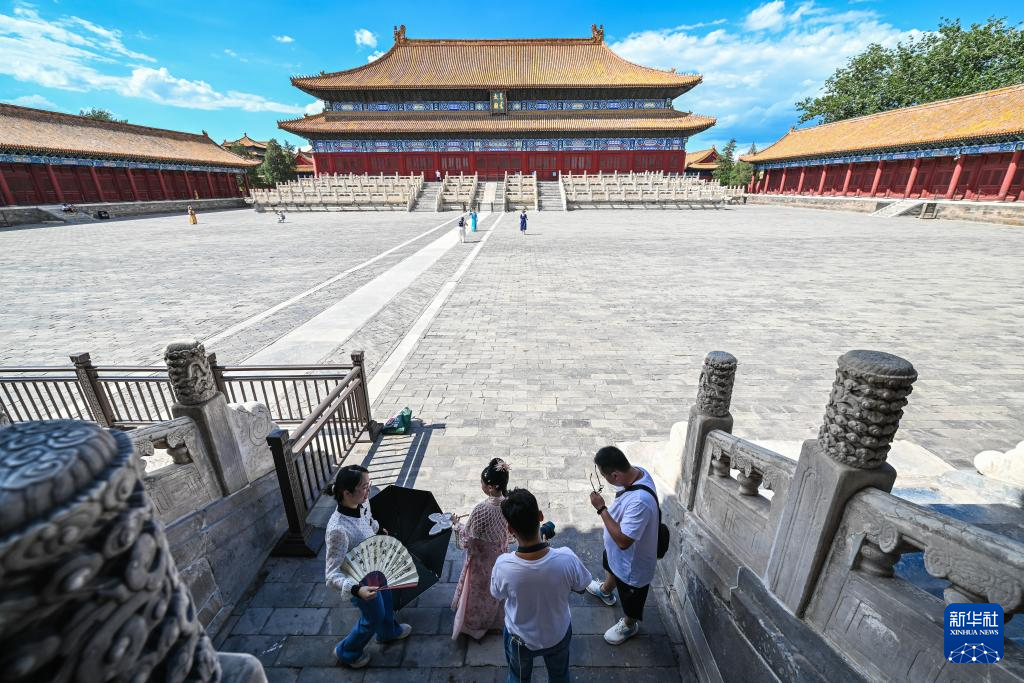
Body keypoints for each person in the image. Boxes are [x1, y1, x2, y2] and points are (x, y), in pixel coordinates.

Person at [491, 488, 592, 683]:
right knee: (559, 676)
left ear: (510, 530)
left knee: (518, 677)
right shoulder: (567, 558)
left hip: (520, 639)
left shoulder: (503, 565)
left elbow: (497, 594)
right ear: (540, 516)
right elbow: (581, 587)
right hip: (557, 634)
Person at [325, 465, 412, 668]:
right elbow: (331, 574)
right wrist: (357, 590)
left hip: (375, 565)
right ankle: (347, 651)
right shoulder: (338, 530)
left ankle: (388, 631)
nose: (368, 491)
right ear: (347, 493)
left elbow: (367, 520)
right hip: (359, 580)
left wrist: (378, 529)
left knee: (387, 600)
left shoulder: (362, 503)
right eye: (364, 487)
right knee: (373, 617)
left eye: (369, 484)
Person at [586, 446, 659, 645]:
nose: (604, 480)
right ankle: (605, 590)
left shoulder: (640, 501)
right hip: (616, 555)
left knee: (631, 600)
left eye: (604, 476)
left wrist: (601, 508)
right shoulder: (636, 473)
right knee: (611, 567)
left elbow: (624, 541)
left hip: (632, 564)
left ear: (616, 475)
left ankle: (629, 625)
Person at [450, 458, 514, 640]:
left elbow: (468, 538)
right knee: (495, 590)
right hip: (500, 556)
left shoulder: (482, 509)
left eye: (483, 483)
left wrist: (456, 525)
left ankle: (475, 625)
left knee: (479, 592)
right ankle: (496, 621)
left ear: (491, 487)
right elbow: (509, 535)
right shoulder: (509, 504)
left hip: (481, 561)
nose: (481, 485)